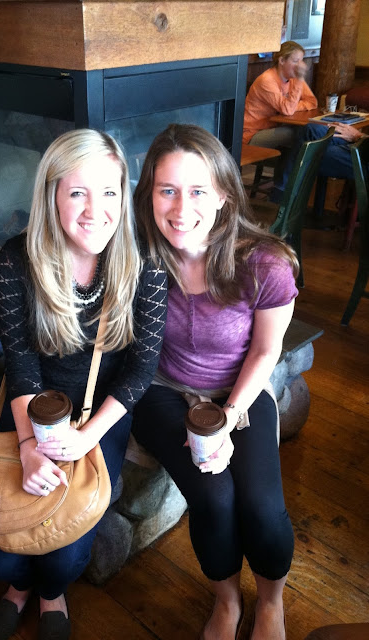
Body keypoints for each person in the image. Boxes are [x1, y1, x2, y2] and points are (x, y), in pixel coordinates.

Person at [0, 129, 167, 640]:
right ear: (52, 195)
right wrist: (28, 445)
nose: (95, 210)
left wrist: (87, 437)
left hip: (100, 411)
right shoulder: (15, 262)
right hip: (30, 403)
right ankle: (19, 586)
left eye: (109, 191)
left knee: (66, 556)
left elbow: (141, 369)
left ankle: (51, 592)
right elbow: (21, 364)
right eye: (78, 192)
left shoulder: (145, 263)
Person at [133, 123, 299, 640]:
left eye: (198, 191)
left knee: (261, 507)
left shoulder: (265, 263)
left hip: (238, 391)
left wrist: (228, 418)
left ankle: (271, 601)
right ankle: (227, 601)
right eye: (167, 190)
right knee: (213, 498)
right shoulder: (140, 256)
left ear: (225, 194)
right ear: (149, 194)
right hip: (163, 389)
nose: (181, 208)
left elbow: (267, 350)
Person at [244, 41, 318, 201]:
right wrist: (299, 81)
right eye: (295, 61)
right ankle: (283, 190)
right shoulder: (267, 80)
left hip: (272, 129)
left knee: (300, 137)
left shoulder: (293, 79)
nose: (300, 66)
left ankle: (283, 188)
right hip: (252, 134)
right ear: (282, 60)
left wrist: (293, 104)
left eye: (301, 60)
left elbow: (312, 102)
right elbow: (287, 110)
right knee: (298, 135)